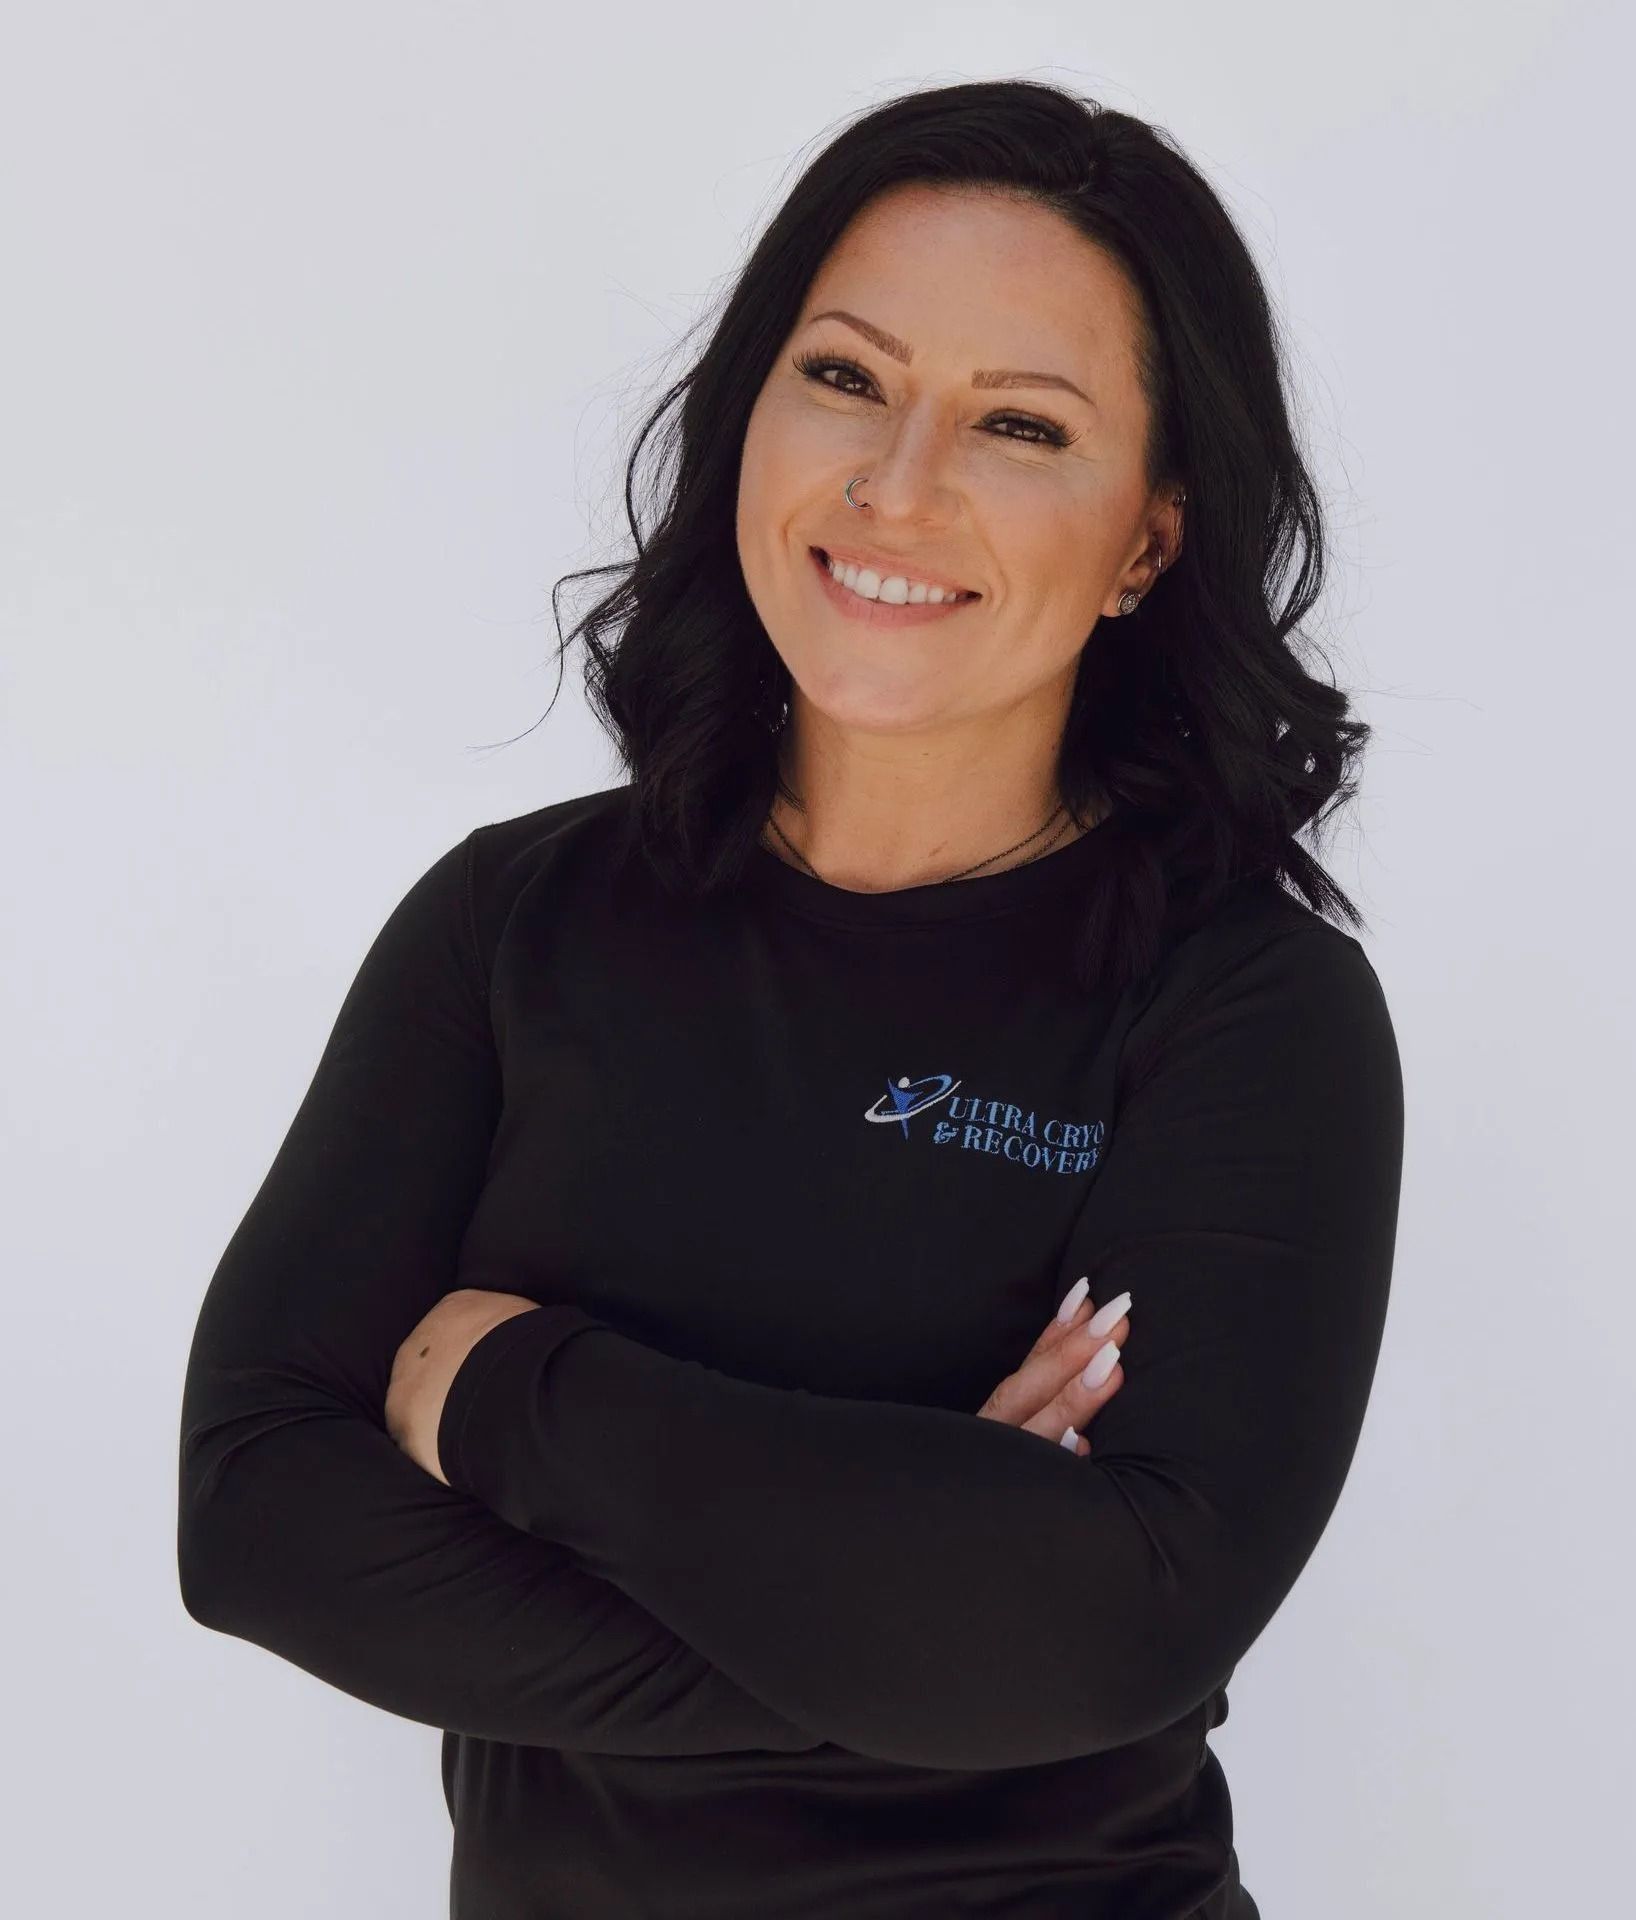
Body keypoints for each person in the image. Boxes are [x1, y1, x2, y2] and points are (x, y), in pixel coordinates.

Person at [176, 77, 1405, 1920]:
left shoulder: (1246, 1010)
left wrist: (503, 1390)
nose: (898, 484)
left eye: (1019, 423)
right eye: (844, 377)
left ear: (1150, 539)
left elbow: (1113, 1632)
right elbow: (255, 1517)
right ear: (748, 410)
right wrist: (926, 1616)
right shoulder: (514, 924)